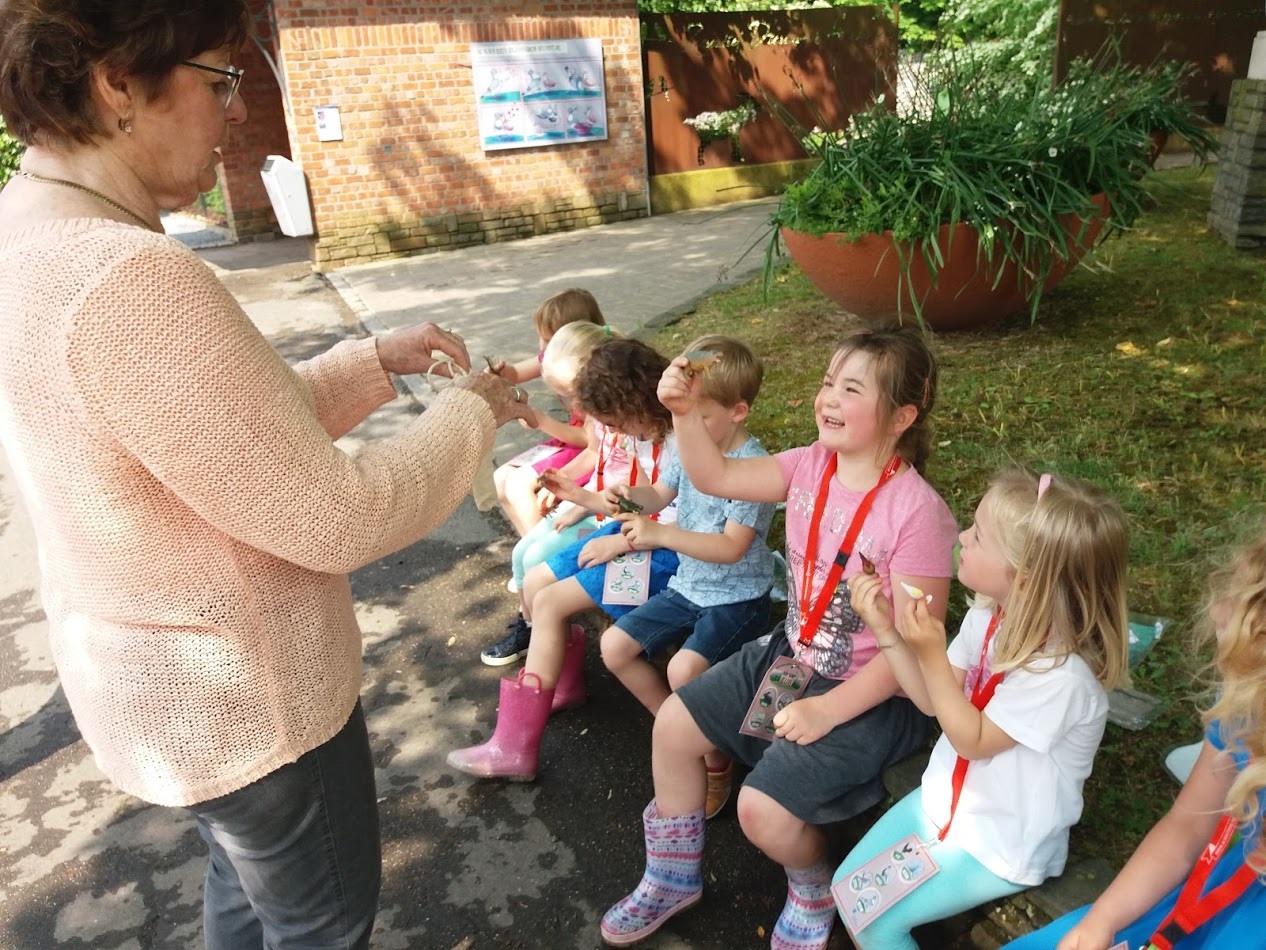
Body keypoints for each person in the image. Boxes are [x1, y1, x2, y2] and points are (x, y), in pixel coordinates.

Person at [0, 3, 531, 947]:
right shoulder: (126, 276)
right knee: (320, 926)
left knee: (247, 891)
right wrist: (473, 410)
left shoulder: (27, 230)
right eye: (221, 79)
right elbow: (338, 515)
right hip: (253, 708)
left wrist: (370, 364)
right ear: (119, 83)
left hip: (160, 694)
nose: (240, 112)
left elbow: (214, 442)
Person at [600, 326, 959, 950]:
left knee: (760, 812)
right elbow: (713, 474)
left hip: (875, 694)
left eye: (852, 389)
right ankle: (672, 877)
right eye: (828, 382)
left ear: (902, 416)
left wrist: (829, 709)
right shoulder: (809, 464)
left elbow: (913, 650)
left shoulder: (918, 514)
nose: (829, 397)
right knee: (673, 727)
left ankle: (813, 886)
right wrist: (682, 412)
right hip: (792, 654)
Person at [838, 467, 1131, 950]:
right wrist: (886, 628)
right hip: (942, 806)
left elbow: (972, 740)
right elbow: (931, 699)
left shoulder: (1061, 677)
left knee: (876, 925)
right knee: (848, 891)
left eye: (978, 535)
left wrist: (933, 654)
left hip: (999, 844)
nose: (962, 537)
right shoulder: (987, 618)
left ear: (1025, 578)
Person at [1006, 528, 1266, 950]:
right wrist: (1102, 920)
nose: (1218, 611)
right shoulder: (1244, 705)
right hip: (1231, 887)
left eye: (1245, 612)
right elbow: (1188, 824)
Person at [449, 338, 680, 782]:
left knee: (551, 602)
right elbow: (649, 500)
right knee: (538, 582)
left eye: (619, 423)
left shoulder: (679, 437)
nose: (620, 434)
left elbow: (683, 518)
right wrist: (582, 497)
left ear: (637, 401)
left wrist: (622, 543)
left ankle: (516, 747)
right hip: (637, 534)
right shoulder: (648, 431)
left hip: (664, 552)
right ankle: (562, 686)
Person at [600, 335, 777, 819]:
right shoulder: (687, 441)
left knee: (683, 670)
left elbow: (731, 548)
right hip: (690, 586)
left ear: (738, 411)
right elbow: (660, 493)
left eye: (700, 417)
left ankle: (715, 760)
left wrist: (660, 534)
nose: (688, 427)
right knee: (614, 647)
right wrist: (628, 497)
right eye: (683, 418)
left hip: (738, 597)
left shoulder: (755, 468)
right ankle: (682, 735)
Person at [481, 322, 630, 665]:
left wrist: (583, 500)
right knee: (522, 553)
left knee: (536, 558)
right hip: (591, 500)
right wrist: (562, 480)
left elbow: (635, 482)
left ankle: (551, 647)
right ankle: (534, 631)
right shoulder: (600, 413)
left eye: (574, 394)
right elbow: (594, 453)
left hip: (608, 510)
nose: (575, 405)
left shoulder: (625, 417)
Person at [492, 288, 607, 537]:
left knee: (518, 485)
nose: (541, 347)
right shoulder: (556, 355)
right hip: (569, 444)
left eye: (547, 339)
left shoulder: (598, 376)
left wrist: (541, 420)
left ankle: (543, 549)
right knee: (501, 478)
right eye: (541, 338)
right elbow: (516, 374)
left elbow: (588, 441)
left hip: (583, 449)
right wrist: (501, 374)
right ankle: (530, 545)